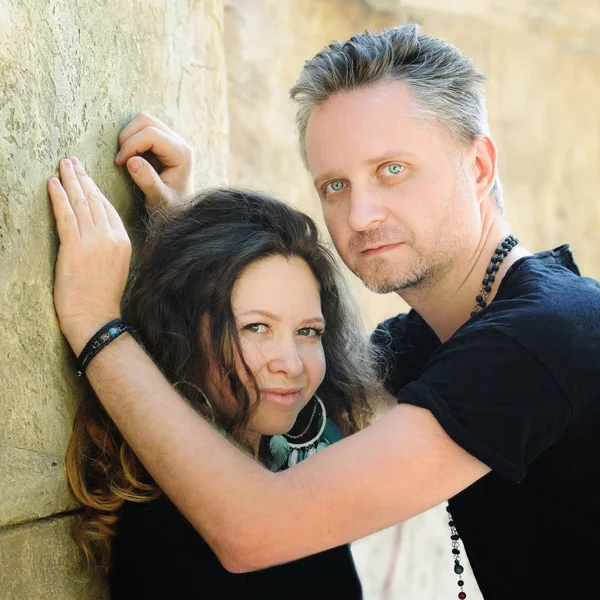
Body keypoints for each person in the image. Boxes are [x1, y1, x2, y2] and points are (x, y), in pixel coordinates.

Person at [48, 23, 600, 600]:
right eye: (335, 185)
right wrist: (195, 237)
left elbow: (256, 528)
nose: (359, 214)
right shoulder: (432, 343)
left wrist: (96, 326)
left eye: (393, 170)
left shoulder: (544, 336)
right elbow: (278, 361)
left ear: (480, 167)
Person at [64, 183, 388, 599]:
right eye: (256, 327)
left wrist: (185, 217)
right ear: (179, 334)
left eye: (308, 331)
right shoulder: (176, 519)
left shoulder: (295, 467)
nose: (291, 363)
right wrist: (94, 323)